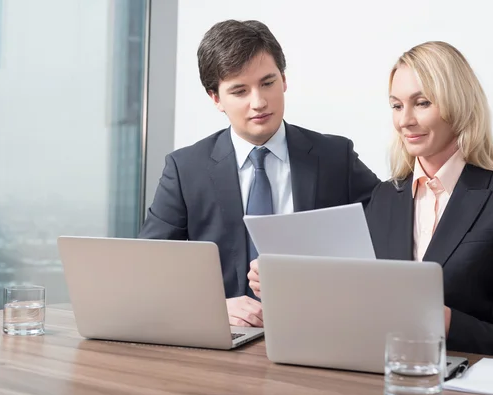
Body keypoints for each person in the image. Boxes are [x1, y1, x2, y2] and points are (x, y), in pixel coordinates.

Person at [139, 20, 380, 328]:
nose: (259, 103)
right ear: (215, 98)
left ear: (284, 80)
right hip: (225, 341)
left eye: (268, 83)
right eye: (239, 91)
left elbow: (388, 234)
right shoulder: (186, 169)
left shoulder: (335, 157)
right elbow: (149, 268)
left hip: (320, 329)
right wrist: (210, 306)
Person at [365, 41, 493, 360]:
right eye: (396, 106)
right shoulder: (384, 197)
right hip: (378, 371)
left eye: (421, 103)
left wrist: (446, 321)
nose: (405, 120)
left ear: (458, 105)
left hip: (462, 378)